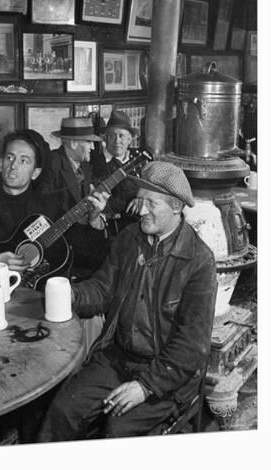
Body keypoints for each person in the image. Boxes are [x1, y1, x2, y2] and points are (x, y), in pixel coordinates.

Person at [37, 161, 217, 441]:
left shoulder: (198, 262)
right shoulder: (129, 239)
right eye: (139, 199)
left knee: (117, 431)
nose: (141, 210)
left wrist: (146, 386)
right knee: (63, 410)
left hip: (167, 375)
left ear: (177, 207)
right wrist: (71, 296)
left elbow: (191, 346)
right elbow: (102, 289)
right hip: (117, 358)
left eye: (151, 203)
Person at [0, 129, 109, 281]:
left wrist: (94, 221)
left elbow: (91, 258)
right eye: (10, 158)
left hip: (34, 303)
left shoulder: (49, 208)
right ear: (0, 164)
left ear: (36, 173)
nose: (13, 166)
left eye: (24, 161)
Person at [39, 116, 109, 277]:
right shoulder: (52, 162)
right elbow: (42, 205)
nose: (93, 147)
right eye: (88, 142)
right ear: (73, 143)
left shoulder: (86, 166)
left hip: (79, 237)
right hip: (56, 243)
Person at [91, 110, 141, 234]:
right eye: (112, 135)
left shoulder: (140, 161)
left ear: (129, 139)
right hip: (105, 230)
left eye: (121, 136)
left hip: (136, 229)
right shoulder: (92, 164)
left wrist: (143, 198)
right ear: (105, 138)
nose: (117, 140)